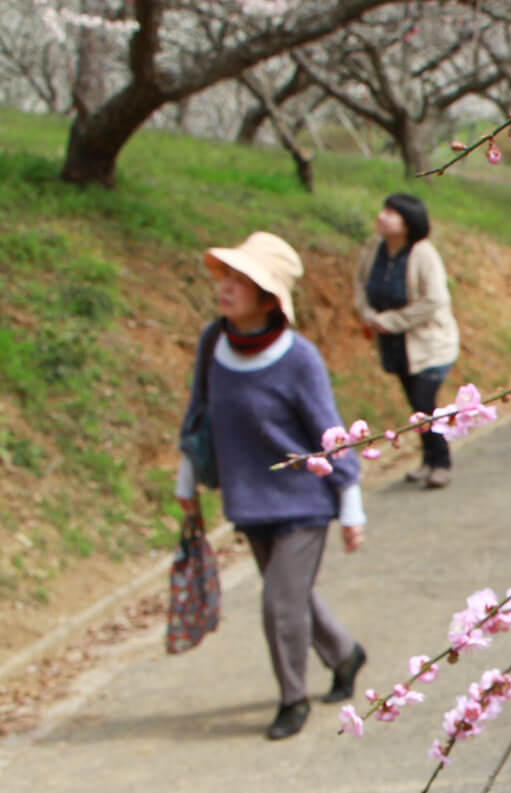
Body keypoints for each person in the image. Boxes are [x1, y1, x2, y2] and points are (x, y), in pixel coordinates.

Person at [174, 232, 368, 741]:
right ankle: (346, 655)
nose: (228, 287)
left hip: (305, 499)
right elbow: (199, 412)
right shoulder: (213, 342)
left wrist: (350, 502)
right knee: (293, 595)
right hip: (248, 497)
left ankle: (292, 698)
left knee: (279, 603)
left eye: (244, 280)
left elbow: (330, 433)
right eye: (228, 276)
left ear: (268, 297)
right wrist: (187, 478)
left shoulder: (299, 358)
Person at [354, 193, 459, 488]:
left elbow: (434, 299)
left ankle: (440, 463)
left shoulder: (423, 253)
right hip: (396, 345)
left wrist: (389, 321)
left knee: (424, 403)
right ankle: (428, 461)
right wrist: (367, 315)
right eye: (383, 209)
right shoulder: (374, 248)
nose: (382, 216)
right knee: (416, 406)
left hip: (431, 345)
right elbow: (360, 284)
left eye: (391, 212)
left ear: (408, 222)